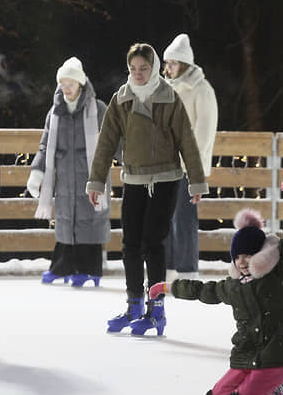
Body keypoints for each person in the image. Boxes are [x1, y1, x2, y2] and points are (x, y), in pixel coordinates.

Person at [147, 188, 283, 395]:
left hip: (274, 358)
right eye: (238, 256)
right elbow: (203, 291)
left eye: (249, 255)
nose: (242, 261)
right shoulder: (234, 287)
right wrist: (167, 287)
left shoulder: (278, 276)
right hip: (245, 357)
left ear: (260, 254)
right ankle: (262, 390)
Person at [86, 43, 208, 336]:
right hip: (134, 180)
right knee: (130, 244)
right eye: (133, 69)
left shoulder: (169, 97)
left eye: (144, 68)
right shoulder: (121, 99)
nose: (138, 74)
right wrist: (96, 180)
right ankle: (134, 305)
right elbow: (105, 143)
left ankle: (157, 310)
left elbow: (187, 141)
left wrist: (196, 180)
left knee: (153, 242)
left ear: (153, 68)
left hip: (165, 179)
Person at [26, 57, 110, 288]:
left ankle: (89, 269)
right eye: (62, 83)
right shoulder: (55, 113)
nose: (66, 88)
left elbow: (113, 140)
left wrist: (130, 163)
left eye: (70, 83)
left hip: (91, 178)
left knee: (89, 222)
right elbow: (45, 145)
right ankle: (62, 266)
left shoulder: (99, 109)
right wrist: (37, 172)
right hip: (64, 179)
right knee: (66, 222)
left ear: (80, 84)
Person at [162, 34, 218, 279]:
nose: (167, 68)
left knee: (184, 221)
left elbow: (204, 132)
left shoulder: (201, 90)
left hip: (187, 168)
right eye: (167, 64)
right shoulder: (168, 88)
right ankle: (169, 270)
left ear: (183, 63)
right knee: (165, 220)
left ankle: (187, 272)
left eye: (172, 63)